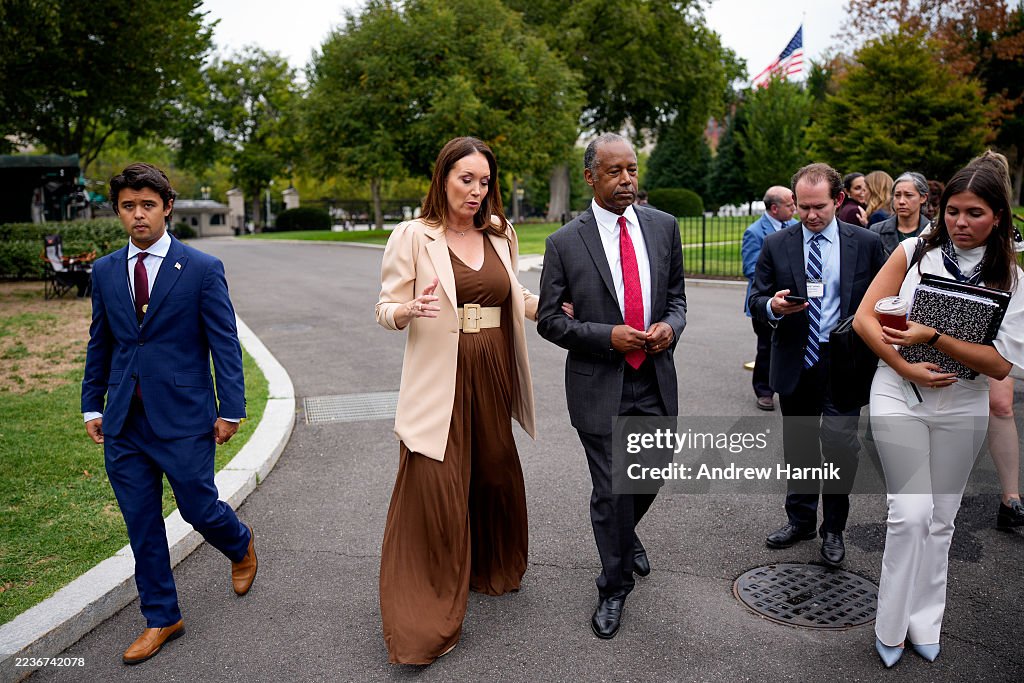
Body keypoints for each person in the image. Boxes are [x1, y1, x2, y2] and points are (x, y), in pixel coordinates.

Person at [81, 163, 255, 665]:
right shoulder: (106, 270)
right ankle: (163, 616)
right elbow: (102, 341)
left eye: (148, 205)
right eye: (129, 206)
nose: (139, 215)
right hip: (124, 423)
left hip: (184, 416)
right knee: (141, 524)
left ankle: (239, 543)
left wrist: (232, 410)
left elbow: (224, 341)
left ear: (167, 207)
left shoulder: (200, 268)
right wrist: (93, 403)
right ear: (118, 211)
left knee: (199, 508)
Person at [853, 159, 1024, 667]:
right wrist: (904, 365)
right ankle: (888, 628)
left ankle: (924, 623)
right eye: (952, 210)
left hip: (964, 402)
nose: (960, 222)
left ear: (998, 216)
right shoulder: (913, 252)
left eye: (974, 213)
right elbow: (864, 318)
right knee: (910, 513)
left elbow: (999, 363)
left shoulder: (1011, 279)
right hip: (896, 392)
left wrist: (934, 337)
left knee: (942, 520)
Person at [375, 136, 538, 664]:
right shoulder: (414, 235)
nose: (476, 190)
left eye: (484, 181)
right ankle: (424, 612)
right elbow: (385, 306)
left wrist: (559, 307)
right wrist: (407, 311)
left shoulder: (500, 233)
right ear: (443, 178)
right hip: (439, 375)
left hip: (493, 369)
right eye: (465, 179)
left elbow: (518, 295)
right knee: (437, 483)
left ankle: (489, 568)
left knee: (493, 471)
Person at [537, 133, 686, 640]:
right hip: (599, 386)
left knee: (650, 473)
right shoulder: (564, 243)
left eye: (632, 170)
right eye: (615, 171)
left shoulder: (664, 228)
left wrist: (671, 327)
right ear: (590, 177)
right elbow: (550, 321)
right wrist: (607, 336)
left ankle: (626, 533)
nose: (627, 180)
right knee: (612, 488)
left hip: (656, 378)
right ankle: (613, 586)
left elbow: (677, 300)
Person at [748, 163, 886, 567]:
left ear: (838, 200)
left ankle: (834, 529)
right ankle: (802, 520)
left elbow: (881, 300)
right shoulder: (778, 244)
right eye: (802, 206)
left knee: (841, 446)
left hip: (843, 360)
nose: (809, 215)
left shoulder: (864, 243)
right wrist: (772, 306)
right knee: (801, 444)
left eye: (819, 207)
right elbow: (757, 300)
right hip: (797, 358)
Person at [741, 186, 797, 411]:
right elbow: (750, 268)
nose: (795, 208)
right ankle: (764, 391)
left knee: (790, 343)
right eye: (790, 205)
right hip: (765, 301)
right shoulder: (755, 232)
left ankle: (788, 385)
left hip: (792, 300)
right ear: (774, 208)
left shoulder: (796, 227)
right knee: (766, 347)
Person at [870, 172, 932, 256]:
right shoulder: (876, 231)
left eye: (908, 195)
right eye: (897, 195)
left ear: (923, 198)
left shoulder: (933, 232)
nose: (901, 201)